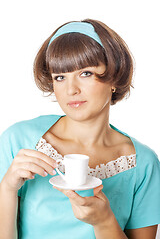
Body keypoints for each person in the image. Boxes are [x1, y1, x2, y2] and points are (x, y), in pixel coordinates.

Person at [0, 19, 160, 239]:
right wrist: (7, 188)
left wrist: (104, 222)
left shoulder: (143, 163)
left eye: (85, 73)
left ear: (114, 76)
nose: (71, 90)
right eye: (60, 77)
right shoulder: (19, 141)